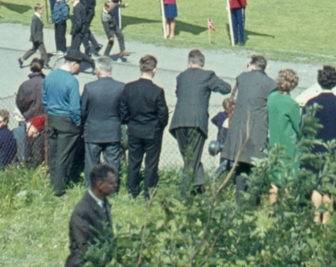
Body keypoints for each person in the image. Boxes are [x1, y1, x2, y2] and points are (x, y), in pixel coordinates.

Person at [169, 48, 232, 187]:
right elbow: (226, 88)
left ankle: (200, 189)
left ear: (189, 63)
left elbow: (178, 93)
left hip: (178, 122)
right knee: (192, 159)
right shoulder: (207, 76)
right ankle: (184, 194)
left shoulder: (181, 76)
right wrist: (213, 85)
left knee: (189, 158)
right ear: (201, 64)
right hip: (197, 122)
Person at [119, 54, 169, 198]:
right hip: (152, 131)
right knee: (151, 163)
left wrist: (130, 121)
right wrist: (159, 127)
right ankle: (148, 191)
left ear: (140, 68)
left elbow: (123, 110)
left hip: (134, 129)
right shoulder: (157, 91)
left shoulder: (129, 88)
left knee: (134, 161)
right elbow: (163, 114)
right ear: (154, 70)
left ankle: (132, 190)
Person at [226, 54, 277, 192]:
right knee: (254, 166)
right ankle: (251, 202)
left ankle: (239, 201)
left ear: (252, 65)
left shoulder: (242, 77)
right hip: (258, 130)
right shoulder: (271, 84)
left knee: (241, 166)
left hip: (240, 129)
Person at [306, 65, 336, 193]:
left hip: (316, 149)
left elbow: (304, 128)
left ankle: (315, 213)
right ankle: (327, 213)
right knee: (331, 187)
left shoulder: (311, 103)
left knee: (316, 186)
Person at [44, 51, 84, 196]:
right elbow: (74, 107)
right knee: (64, 155)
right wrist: (78, 122)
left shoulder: (50, 76)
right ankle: (59, 188)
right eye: (79, 66)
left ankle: (52, 181)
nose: (79, 69)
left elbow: (44, 98)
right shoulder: (71, 81)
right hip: (67, 121)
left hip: (52, 118)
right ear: (74, 64)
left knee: (54, 153)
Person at [80, 57, 126, 173]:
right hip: (112, 131)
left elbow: (83, 110)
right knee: (112, 164)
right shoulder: (121, 87)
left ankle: (92, 188)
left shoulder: (89, 87)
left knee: (92, 164)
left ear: (98, 70)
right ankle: (111, 189)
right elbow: (124, 110)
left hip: (93, 131)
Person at [266, 67, 302, 173]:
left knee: (274, 175)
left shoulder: (271, 97)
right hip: (288, 145)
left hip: (273, 140)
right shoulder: (291, 104)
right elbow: (299, 128)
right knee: (288, 175)